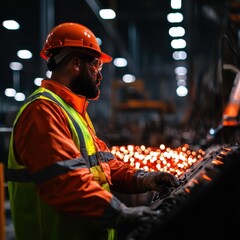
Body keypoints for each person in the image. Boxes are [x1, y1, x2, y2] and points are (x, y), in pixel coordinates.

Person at [7, 22, 180, 240]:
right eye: (96, 65)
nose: (99, 75)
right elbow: (66, 183)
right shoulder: (43, 111)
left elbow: (104, 165)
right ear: (76, 64)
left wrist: (144, 179)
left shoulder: (72, 111)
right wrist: (120, 213)